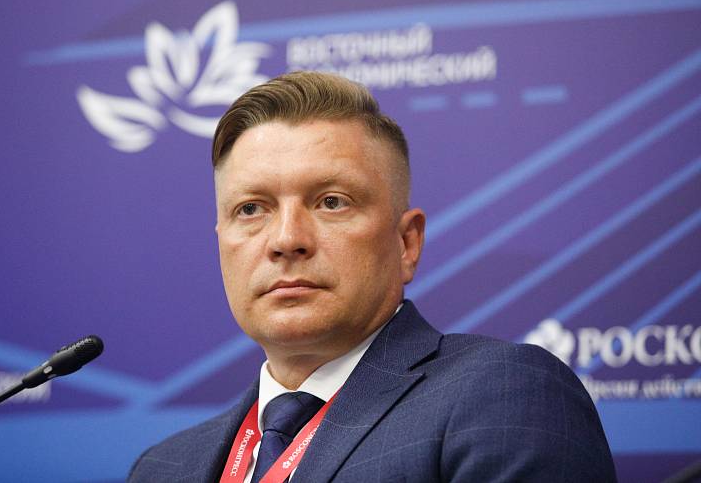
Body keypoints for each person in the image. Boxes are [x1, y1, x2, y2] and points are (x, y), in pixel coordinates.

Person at [128, 72, 617, 482]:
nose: (286, 239)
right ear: (221, 242)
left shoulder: (502, 398)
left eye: (331, 202)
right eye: (251, 209)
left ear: (406, 243)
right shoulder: (163, 468)